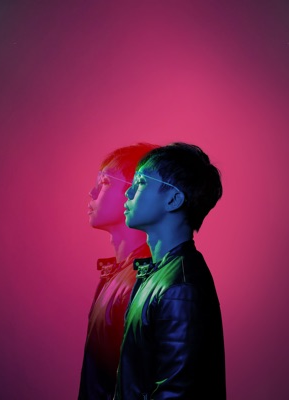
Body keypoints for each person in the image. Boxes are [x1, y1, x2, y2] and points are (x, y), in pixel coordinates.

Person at [115, 142, 227, 399]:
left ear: (173, 199)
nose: (128, 192)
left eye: (141, 182)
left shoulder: (180, 288)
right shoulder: (157, 274)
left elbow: (176, 393)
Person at [78, 142, 159, 400]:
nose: (91, 192)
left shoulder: (142, 280)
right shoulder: (118, 274)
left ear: (136, 192)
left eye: (104, 182)